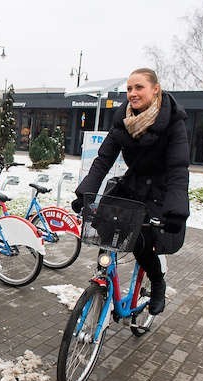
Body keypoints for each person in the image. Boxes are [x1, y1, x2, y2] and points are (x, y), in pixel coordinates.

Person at [71, 68, 190, 316]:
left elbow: (178, 168)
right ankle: (104, 279)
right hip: (133, 184)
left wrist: (176, 208)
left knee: (141, 242)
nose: (133, 93)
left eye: (139, 88)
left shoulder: (172, 122)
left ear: (155, 89)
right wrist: (86, 192)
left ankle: (157, 283)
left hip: (160, 189)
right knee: (105, 225)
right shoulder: (123, 120)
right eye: (129, 89)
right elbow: (103, 159)